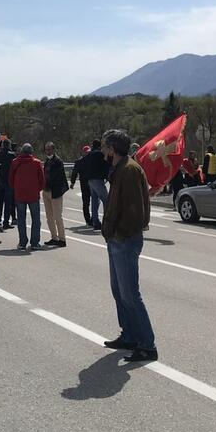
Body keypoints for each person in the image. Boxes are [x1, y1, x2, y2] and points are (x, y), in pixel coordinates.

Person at [99, 128, 157, 363]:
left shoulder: (130, 170)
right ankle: (130, 335)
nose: (102, 150)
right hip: (116, 239)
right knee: (119, 291)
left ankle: (147, 345)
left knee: (130, 294)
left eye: (104, 146)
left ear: (112, 149)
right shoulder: (119, 169)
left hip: (125, 240)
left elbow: (135, 211)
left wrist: (119, 234)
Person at [9, 144, 45, 250]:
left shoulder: (15, 162)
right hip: (33, 194)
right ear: (31, 152)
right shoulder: (36, 163)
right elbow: (42, 180)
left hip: (19, 194)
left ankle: (22, 242)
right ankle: (34, 242)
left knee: (21, 219)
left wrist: (15, 188)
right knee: (36, 219)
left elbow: (10, 178)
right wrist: (38, 189)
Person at [42, 142, 69, 247]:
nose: (47, 151)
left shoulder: (58, 161)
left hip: (55, 192)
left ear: (53, 150)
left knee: (58, 216)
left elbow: (56, 178)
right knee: (49, 217)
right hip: (46, 191)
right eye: (46, 149)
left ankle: (62, 239)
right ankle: (54, 237)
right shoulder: (47, 161)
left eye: (49, 149)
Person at [84, 140, 109, 229]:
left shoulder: (89, 155)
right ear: (99, 146)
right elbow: (105, 164)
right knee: (107, 201)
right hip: (98, 179)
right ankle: (107, 222)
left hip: (90, 180)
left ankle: (95, 222)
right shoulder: (100, 154)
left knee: (94, 201)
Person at [0, 140, 18, 229]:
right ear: (9, 145)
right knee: (8, 203)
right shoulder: (12, 156)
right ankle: (6, 222)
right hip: (8, 181)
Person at [70, 145, 93, 226]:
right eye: (86, 152)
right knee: (86, 203)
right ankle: (88, 220)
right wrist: (72, 183)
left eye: (89, 152)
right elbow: (74, 173)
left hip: (92, 183)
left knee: (95, 201)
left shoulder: (92, 160)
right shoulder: (79, 162)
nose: (87, 154)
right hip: (84, 184)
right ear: (83, 153)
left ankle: (94, 218)